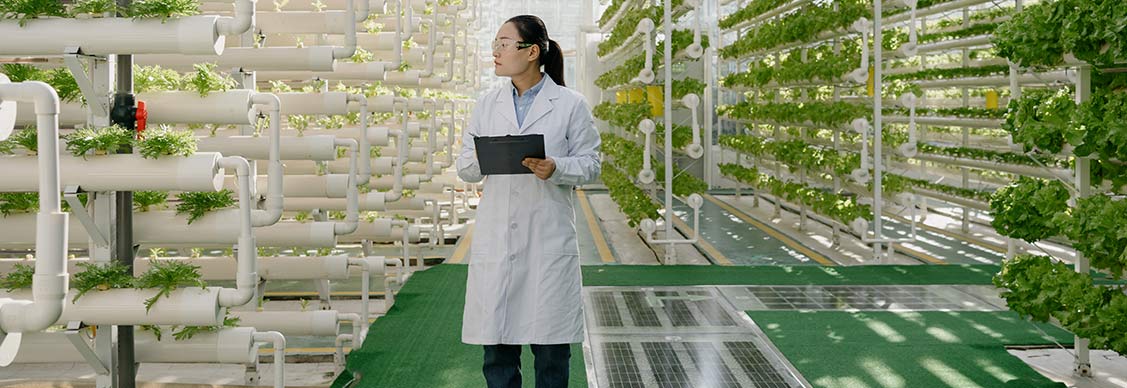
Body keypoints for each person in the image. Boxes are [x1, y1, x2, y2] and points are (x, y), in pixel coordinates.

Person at [455, 14, 602, 388]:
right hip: (497, 239)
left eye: (504, 44)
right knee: (498, 352)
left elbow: (591, 165)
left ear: (532, 51)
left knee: (551, 351)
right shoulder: (487, 104)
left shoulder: (570, 104)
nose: (496, 51)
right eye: (495, 44)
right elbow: (466, 167)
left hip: (546, 239)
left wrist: (556, 167)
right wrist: (486, 155)